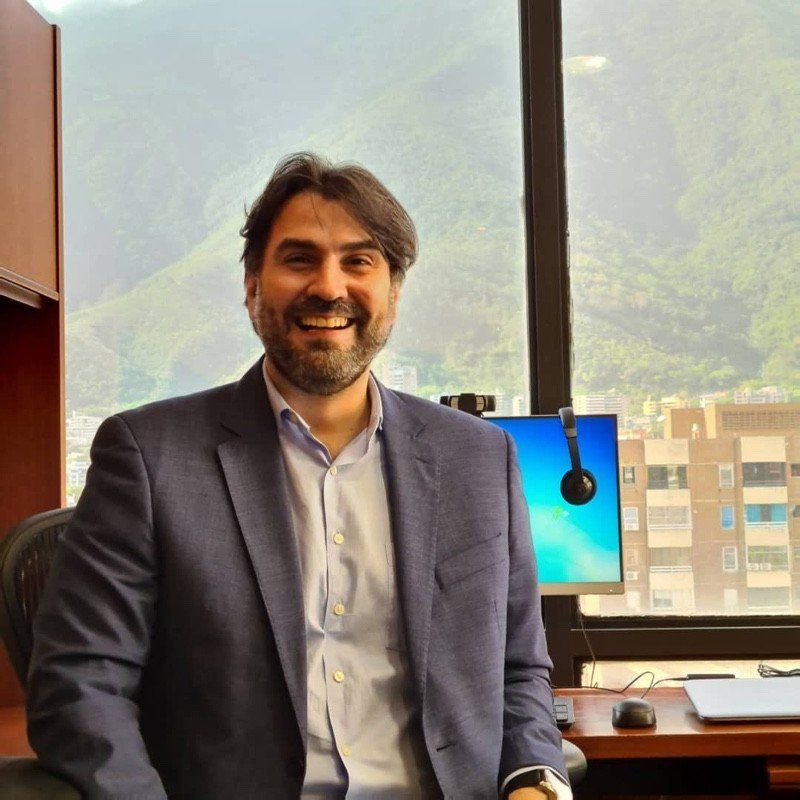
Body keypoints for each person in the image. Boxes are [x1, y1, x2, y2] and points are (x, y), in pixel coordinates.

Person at [27, 153, 571, 799]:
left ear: (394, 292)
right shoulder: (151, 457)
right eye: (298, 259)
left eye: (359, 261)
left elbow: (517, 671)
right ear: (252, 286)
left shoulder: (477, 457)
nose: (329, 287)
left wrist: (535, 782)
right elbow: (81, 682)